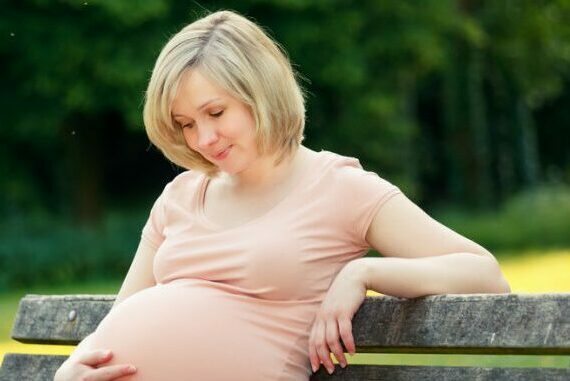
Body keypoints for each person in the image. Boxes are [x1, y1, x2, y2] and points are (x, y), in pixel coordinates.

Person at [54, 9, 510, 381]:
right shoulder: (179, 197)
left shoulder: (339, 187)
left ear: (260, 92)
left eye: (215, 112)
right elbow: (122, 315)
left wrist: (362, 271)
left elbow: (485, 275)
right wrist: (75, 367)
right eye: (187, 124)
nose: (204, 138)